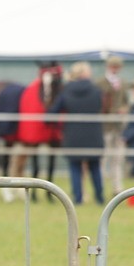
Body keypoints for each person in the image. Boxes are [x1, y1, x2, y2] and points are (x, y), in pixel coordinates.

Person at [48, 61, 105, 205]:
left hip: (72, 134)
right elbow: (100, 106)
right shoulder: (96, 90)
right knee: (94, 167)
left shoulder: (66, 90)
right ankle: (99, 198)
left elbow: (53, 112)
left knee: (75, 167)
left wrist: (58, 127)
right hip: (93, 133)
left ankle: (77, 199)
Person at [96, 56, 129, 194]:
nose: (115, 69)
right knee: (103, 159)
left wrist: (124, 109)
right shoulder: (100, 83)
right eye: (113, 66)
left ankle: (117, 188)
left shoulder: (122, 83)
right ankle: (101, 186)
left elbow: (126, 102)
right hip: (105, 127)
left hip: (118, 127)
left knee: (117, 159)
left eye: (117, 67)